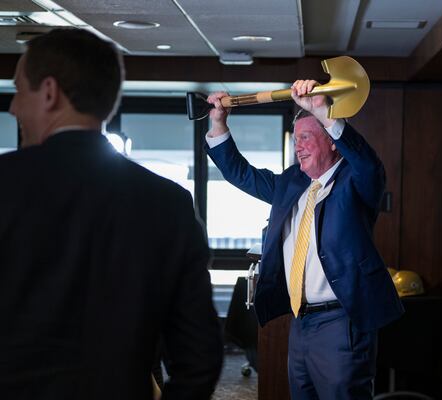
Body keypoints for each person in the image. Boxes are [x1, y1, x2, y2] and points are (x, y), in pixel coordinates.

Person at [0, 28, 222, 400]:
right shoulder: (169, 203)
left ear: (50, 92)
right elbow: (200, 356)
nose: (13, 107)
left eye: (20, 91)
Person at [205, 80, 404, 399]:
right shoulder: (291, 183)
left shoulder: (355, 181)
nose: (298, 146)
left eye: (307, 138)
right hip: (301, 322)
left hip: (341, 321)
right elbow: (240, 174)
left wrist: (324, 112)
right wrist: (218, 122)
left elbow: (369, 163)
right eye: (296, 139)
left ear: (333, 142)